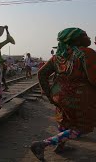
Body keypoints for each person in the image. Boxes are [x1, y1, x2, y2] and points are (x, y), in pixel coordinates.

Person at [31, 28, 96, 161]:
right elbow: (93, 79)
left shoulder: (58, 56)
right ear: (76, 39)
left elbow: (41, 73)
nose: (88, 37)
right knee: (83, 128)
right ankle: (43, 144)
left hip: (59, 95)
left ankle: (61, 146)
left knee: (65, 120)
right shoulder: (87, 53)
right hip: (80, 97)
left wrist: (49, 94)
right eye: (84, 35)